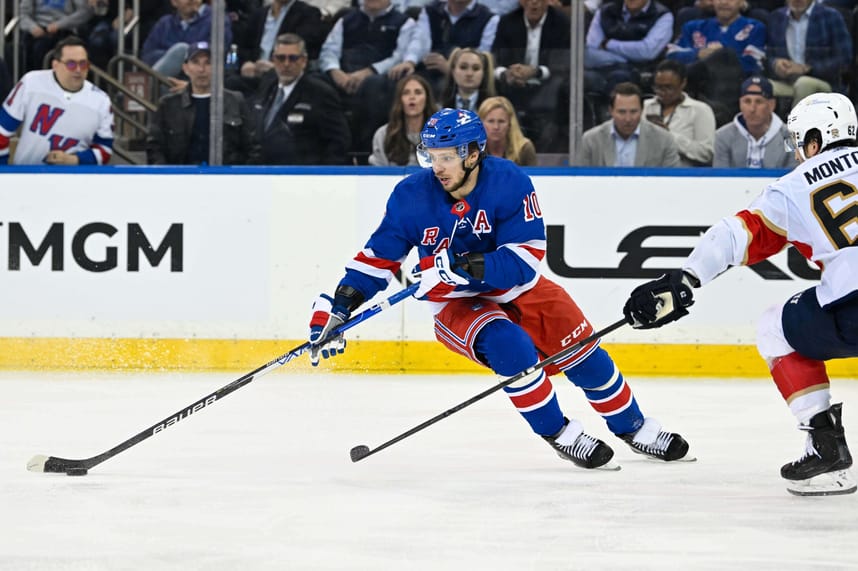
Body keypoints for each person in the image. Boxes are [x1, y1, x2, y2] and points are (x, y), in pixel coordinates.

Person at [308, 107, 693, 469]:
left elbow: (525, 259)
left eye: (447, 156)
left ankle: (633, 427)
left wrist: (461, 267)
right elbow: (378, 259)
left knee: (585, 355)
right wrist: (341, 305)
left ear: (473, 154)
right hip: (455, 303)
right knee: (510, 346)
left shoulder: (509, 181)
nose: (437, 167)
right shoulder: (411, 196)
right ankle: (559, 432)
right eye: (432, 156)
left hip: (519, 287)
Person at [623, 92, 858, 496]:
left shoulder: (795, 186)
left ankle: (825, 448)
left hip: (851, 309)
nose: (800, 153)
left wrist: (686, 280)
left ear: (816, 140)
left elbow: (737, 235)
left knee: (774, 327)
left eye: (802, 143)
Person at [317, 0, 417, 157]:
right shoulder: (346, 19)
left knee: (374, 86)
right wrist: (335, 72)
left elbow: (399, 56)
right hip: (344, 74)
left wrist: (371, 71)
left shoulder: (404, 22)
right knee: (316, 84)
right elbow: (329, 50)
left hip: (381, 77)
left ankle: (366, 151)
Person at [0, 36, 113, 165]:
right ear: (55, 65)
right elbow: (2, 131)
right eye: (71, 64)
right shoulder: (31, 83)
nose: (78, 70)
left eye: (83, 64)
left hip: (77, 180)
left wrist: (74, 159)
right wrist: (3, 172)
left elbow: (105, 150)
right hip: (28, 175)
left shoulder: (101, 101)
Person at [146, 42, 261, 165]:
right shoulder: (168, 105)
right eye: (196, 62)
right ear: (185, 68)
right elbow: (155, 148)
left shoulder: (235, 101)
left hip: (226, 180)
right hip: (181, 179)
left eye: (208, 63)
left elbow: (253, 147)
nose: (201, 69)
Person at [251, 33, 350, 164]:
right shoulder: (267, 86)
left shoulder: (320, 93)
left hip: (304, 175)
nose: (286, 64)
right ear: (273, 60)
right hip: (262, 172)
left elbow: (339, 141)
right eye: (281, 58)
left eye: (292, 58)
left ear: (303, 61)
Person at [666, 0, 767, 126]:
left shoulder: (754, 27)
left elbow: (754, 63)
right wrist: (697, 54)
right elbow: (671, 56)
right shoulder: (692, 27)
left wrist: (720, 55)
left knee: (724, 56)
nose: (724, 2)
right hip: (696, 84)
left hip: (735, 84)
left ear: (741, 2)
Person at [491, 0, 571, 152]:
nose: (534, 3)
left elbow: (564, 65)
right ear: (521, 2)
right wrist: (506, 74)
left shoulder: (561, 23)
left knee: (561, 86)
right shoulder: (508, 21)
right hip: (513, 83)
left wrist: (535, 71)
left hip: (548, 82)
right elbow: (495, 60)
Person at [765, 0, 853, 105]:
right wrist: (776, 63)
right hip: (786, 81)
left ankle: (796, 121)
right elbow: (767, 55)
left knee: (804, 83)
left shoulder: (831, 16)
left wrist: (807, 69)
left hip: (824, 82)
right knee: (760, 87)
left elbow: (844, 59)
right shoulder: (776, 17)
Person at [577, 82, 681, 167]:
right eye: (622, 112)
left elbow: (674, 181)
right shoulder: (591, 140)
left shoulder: (664, 140)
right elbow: (580, 181)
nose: (628, 119)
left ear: (642, 110)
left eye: (633, 112)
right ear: (611, 111)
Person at [584, 0, 674, 96]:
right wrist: (625, 59)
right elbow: (593, 46)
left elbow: (647, 52)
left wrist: (608, 44)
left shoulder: (662, 15)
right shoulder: (605, 11)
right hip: (600, 66)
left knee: (619, 78)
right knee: (575, 78)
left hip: (640, 71)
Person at [643, 59, 717, 166]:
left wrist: (669, 136)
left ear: (683, 83)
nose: (662, 92)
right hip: (648, 173)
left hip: (684, 176)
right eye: (658, 87)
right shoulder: (646, 106)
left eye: (669, 87)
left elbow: (706, 154)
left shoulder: (700, 110)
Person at [713, 75, 798, 168]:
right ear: (740, 104)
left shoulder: (789, 137)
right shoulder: (723, 136)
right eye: (747, 101)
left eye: (759, 102)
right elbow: (721, 177)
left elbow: (793, 174)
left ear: (771, 105)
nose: (752, 109)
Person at [141, 0, 234, 80]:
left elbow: (214, 54)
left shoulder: (217, 19)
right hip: (166, 81)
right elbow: (147, 56)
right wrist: (172, 57)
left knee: (182, 49)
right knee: (180, 51)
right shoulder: (164, 23)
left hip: (197, 80)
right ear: (174, 2)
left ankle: (145, 93)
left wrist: (184, 55)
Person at [368, 74, 437, 166]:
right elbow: (380, 174)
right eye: (406, 93)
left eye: (418, 92)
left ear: (427, 99)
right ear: (399, 100)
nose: (412, 97)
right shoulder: (383, 134)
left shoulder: (441, 133)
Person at [19, 0, 93, 72]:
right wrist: (32, 27)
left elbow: (85, 12)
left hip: (64, 29)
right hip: (37, 29)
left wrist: (59, 25)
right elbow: (22, 14)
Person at [477, 95, 536, 165]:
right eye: (491, 121)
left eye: (501, 121)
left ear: (510, 124)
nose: (496, 127)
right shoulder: (472, 149)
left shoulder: (524, 148)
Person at [438, 47, 496, 111]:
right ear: (453, 71)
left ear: (484, 73)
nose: (469, 73)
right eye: (463, 67)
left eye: (476, 68)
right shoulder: (440, 108)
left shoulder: (493, 108)